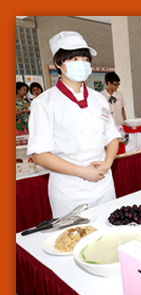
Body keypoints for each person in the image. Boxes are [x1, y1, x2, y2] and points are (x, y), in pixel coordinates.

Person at [27, 31, 121, 218]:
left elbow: (112, 137)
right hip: (69, 189)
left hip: (103, 184)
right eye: (74, 58)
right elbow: (40, 155)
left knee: (109, 234)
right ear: (58, 64)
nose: (82, 63)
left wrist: (108, 163)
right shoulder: (44, 102)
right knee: (74, 241)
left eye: (85, 59)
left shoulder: (99, 99)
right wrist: (83, 172)